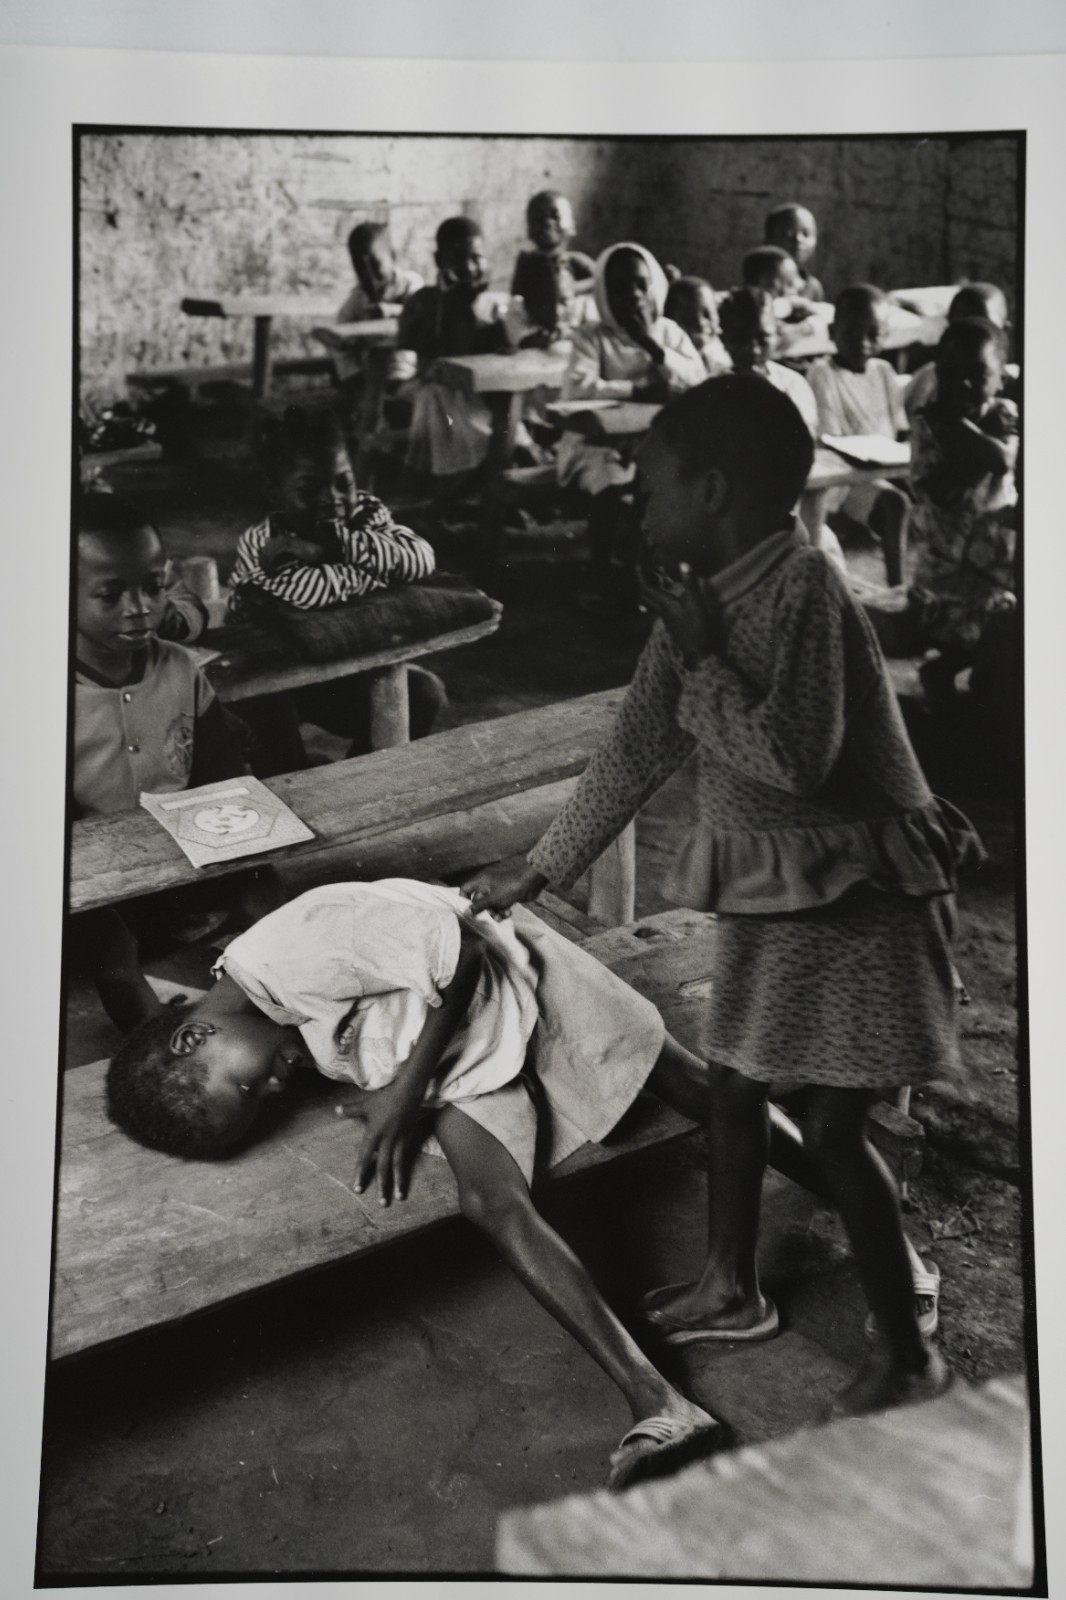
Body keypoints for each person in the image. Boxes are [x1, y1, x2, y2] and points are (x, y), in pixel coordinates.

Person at [464, 377, 978, 1419]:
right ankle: (732, 1289)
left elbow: (795, 759)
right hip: (778, 900)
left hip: (864, 904)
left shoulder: (805, 588)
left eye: (651, 486)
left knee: (835, 1130)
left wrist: (703, 654)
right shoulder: (694, 595)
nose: (637, 502)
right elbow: (638, 746)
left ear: (711, 489)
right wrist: (542, 865)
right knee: (735, 1084)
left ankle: (907, 1359)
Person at [106, 876, 730, 1491]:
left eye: (248, 1088)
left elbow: (468, 954)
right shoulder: (260, 1015)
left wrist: (403, 1094)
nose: (274, 1091)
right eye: (261, 1104)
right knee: (489, 1202)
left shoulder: (293, 948)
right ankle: (660, 1401)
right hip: (455, 1050)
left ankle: (802, 1185)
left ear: (195, 1035)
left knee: (695, 1089)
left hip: (513, 972)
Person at [72, 491, 278, 1031]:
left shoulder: (180, 668)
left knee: (265, 894)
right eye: (110, 594)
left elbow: (223, 773)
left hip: (186, 858)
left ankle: (274, 1016)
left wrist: (244, 853)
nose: (139, 607)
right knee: (112, 949)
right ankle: (165, 1052)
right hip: (93, 883)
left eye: (153, 586)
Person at [229, 405, 444, 770]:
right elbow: (310, 595)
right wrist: (376, 570)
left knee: (424, 693)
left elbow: (422, 558)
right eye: (309, 490)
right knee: (270, 719)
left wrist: (333, 549)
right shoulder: (263, 543)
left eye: (344, 483)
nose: (332, 499)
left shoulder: (366, 514)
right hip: (269, 679)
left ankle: (354, 782)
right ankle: (296, 782)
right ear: (275, 494)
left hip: (341, 670)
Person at [556, 242, 705, 596]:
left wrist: (650, 344)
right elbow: (578, 388)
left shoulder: (668, 333)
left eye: (641, 285)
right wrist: (638, 391)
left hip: (652, 444)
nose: (634, 296)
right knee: (610, 484)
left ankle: (643, 568)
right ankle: (600, 570)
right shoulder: (591, 337)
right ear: (603, 294)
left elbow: (697, 380)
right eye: (620, 288)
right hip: (593, 446)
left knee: (658, 483)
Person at [907, 318, 1019, 712]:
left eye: (978, 373)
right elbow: (944, 492)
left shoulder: (1005, 411)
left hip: (999, 552)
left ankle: (989, 680)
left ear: (1002, 379)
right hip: (948, 564)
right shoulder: (927, 424)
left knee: (1017, 616)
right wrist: (970, 431)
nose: (963, 383)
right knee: (981, 622)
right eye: (950, 373)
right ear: (936, 373)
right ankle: (941, 671)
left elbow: (1003, 459)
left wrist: (968, 437)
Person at [806, 284, 911, 587]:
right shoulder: (822, 373)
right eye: (851, 333)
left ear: (886, 335)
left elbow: (901, 429)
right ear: (832, 332)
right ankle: (897, 586)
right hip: (844, 479)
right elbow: (829, 439)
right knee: (895, 503)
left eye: (873, 334)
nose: (863, 343)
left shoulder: (884, 372)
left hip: (886, 468)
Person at [398, 216, 509, 484]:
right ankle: (454, 491)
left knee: (508, 427)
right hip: (444, 396)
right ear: (440, 261)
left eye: (477, 258)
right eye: (458, 258)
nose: (469, 267)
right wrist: (450, 301)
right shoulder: (424, 302)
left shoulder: (492, 305)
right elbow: (434, 353)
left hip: (483, 397)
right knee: (451, 413)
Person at [332, 221, 424, 441]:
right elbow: (342, 348)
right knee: (344, 407)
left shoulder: (411, 285)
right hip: (368, 379)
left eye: (375, 263)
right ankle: (361, 449)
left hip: (408, 374)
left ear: (392, 256)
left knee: (404, 408)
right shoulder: (356, 300)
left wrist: (390, 310)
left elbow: (420, 314)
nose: (368, 273)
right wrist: (354, 378)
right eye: (359, 266)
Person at [717, 287, 819, 435]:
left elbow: (806, 438)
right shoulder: (712, 390)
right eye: (741, 339)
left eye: (763, 338)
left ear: (777, 334)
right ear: (724, 339)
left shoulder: (792, 384)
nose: (754, 350)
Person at [904, 282, 1010, 421]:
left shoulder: (1023, 388)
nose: (969, 337)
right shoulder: (928, 381)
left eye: (983, 323)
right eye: (959, 326)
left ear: (1005, 329)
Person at [511, 189, 595, 301]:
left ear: (572, 226)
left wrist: (574, 288)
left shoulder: (577, 262)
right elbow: (518, 297)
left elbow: (603, 280)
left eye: (556, 216)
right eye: (539, 219)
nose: (548, 223)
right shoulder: (526, 264)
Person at [663, 275, 731, 378]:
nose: (700, 323)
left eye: (707, 315)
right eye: (688, 318)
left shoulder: (717, 354)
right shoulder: (668, 360)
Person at [764, 203, 824, 302]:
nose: (798, 239)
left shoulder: (813, 287)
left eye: (806, 234)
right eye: (788, 233)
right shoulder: (762, 282)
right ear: (768, 239)